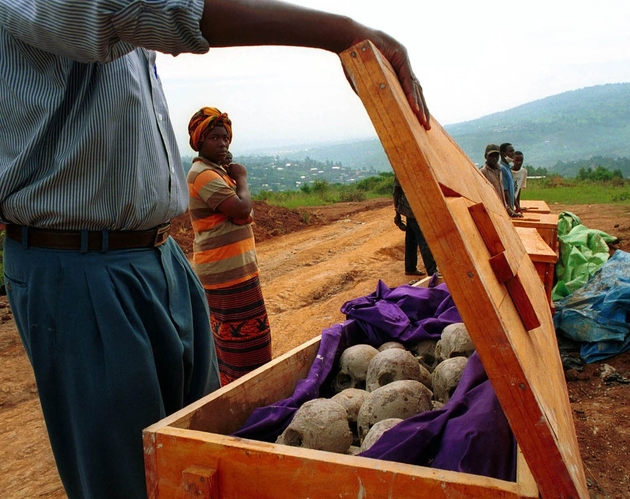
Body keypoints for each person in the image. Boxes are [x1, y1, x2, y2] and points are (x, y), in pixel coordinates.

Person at [0, 2, 430, 498]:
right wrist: (343, 31)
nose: (223, 141)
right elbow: (148, 9)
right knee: (127, 476)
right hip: (82, 264)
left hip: (158, 253)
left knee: (199, 448)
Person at [187, 107, 271, 385]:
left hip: (238, 271)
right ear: (199, 141)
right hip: (226, 274)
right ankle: (244, 402)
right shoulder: (203, 174)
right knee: (241, 349)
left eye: (225, 137)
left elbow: (244, 213)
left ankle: (245, 398)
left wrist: (241, 208)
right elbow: (242, 208)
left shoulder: (218, 172)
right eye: (214, 138)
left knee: (247, 344)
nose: (222, 143)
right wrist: (242, 178)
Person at [393, 175, 438, 276]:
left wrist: (397, 213)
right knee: (424, 240)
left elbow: (396, 192)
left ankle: (410, 267)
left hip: (412, 210)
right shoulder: (406, 169)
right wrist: (397, 214)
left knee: (411, 239)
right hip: (416, 211)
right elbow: (396, 192)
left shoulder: (402, 169)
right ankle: (432, 271)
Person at [480, 144, 522, 218]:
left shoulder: (499, 171)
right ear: (485, 156)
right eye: (491, 156)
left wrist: (511, 212)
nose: (494, 158)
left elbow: (501, 198)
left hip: (501, 212)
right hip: (492, 213)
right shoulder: (483, 172)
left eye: (496, 156)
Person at [500, 142, 516, 212]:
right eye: (511, 151)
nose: (513, 153)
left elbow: (511, 190)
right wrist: (510, 211)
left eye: (513, 151)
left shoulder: (508, 168)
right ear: (503, 154)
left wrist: (517, 206)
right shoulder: (502, 169)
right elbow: (505, 191)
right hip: (507, 210)